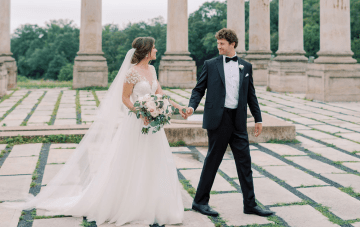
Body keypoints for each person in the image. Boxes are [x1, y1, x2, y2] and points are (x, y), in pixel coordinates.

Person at [6, 37, 186, 226]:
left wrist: (178, 107)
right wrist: (140, 112)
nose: (157, 50)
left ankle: (153, 205)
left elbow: (160, 95)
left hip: (153, 128)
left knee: (154, 162)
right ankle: (127, 204)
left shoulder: (152, 69)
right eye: (154, 47)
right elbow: (125, 98)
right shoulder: (131, 73)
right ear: (146, 51)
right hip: (136, 125)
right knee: (131, 162)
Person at [185, 28, 275, 217]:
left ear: (232, 44)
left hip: (239, 120)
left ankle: (250, 204)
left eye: (222, 44)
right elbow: (198, 89)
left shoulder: (246, 66)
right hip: (218, 120)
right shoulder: (210, 64)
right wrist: (192, 107)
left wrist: (258, 118)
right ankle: (199, 202)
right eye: (218, 44)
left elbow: (251, 94)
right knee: (212, 161)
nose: (219, 47)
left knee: (245, 163)